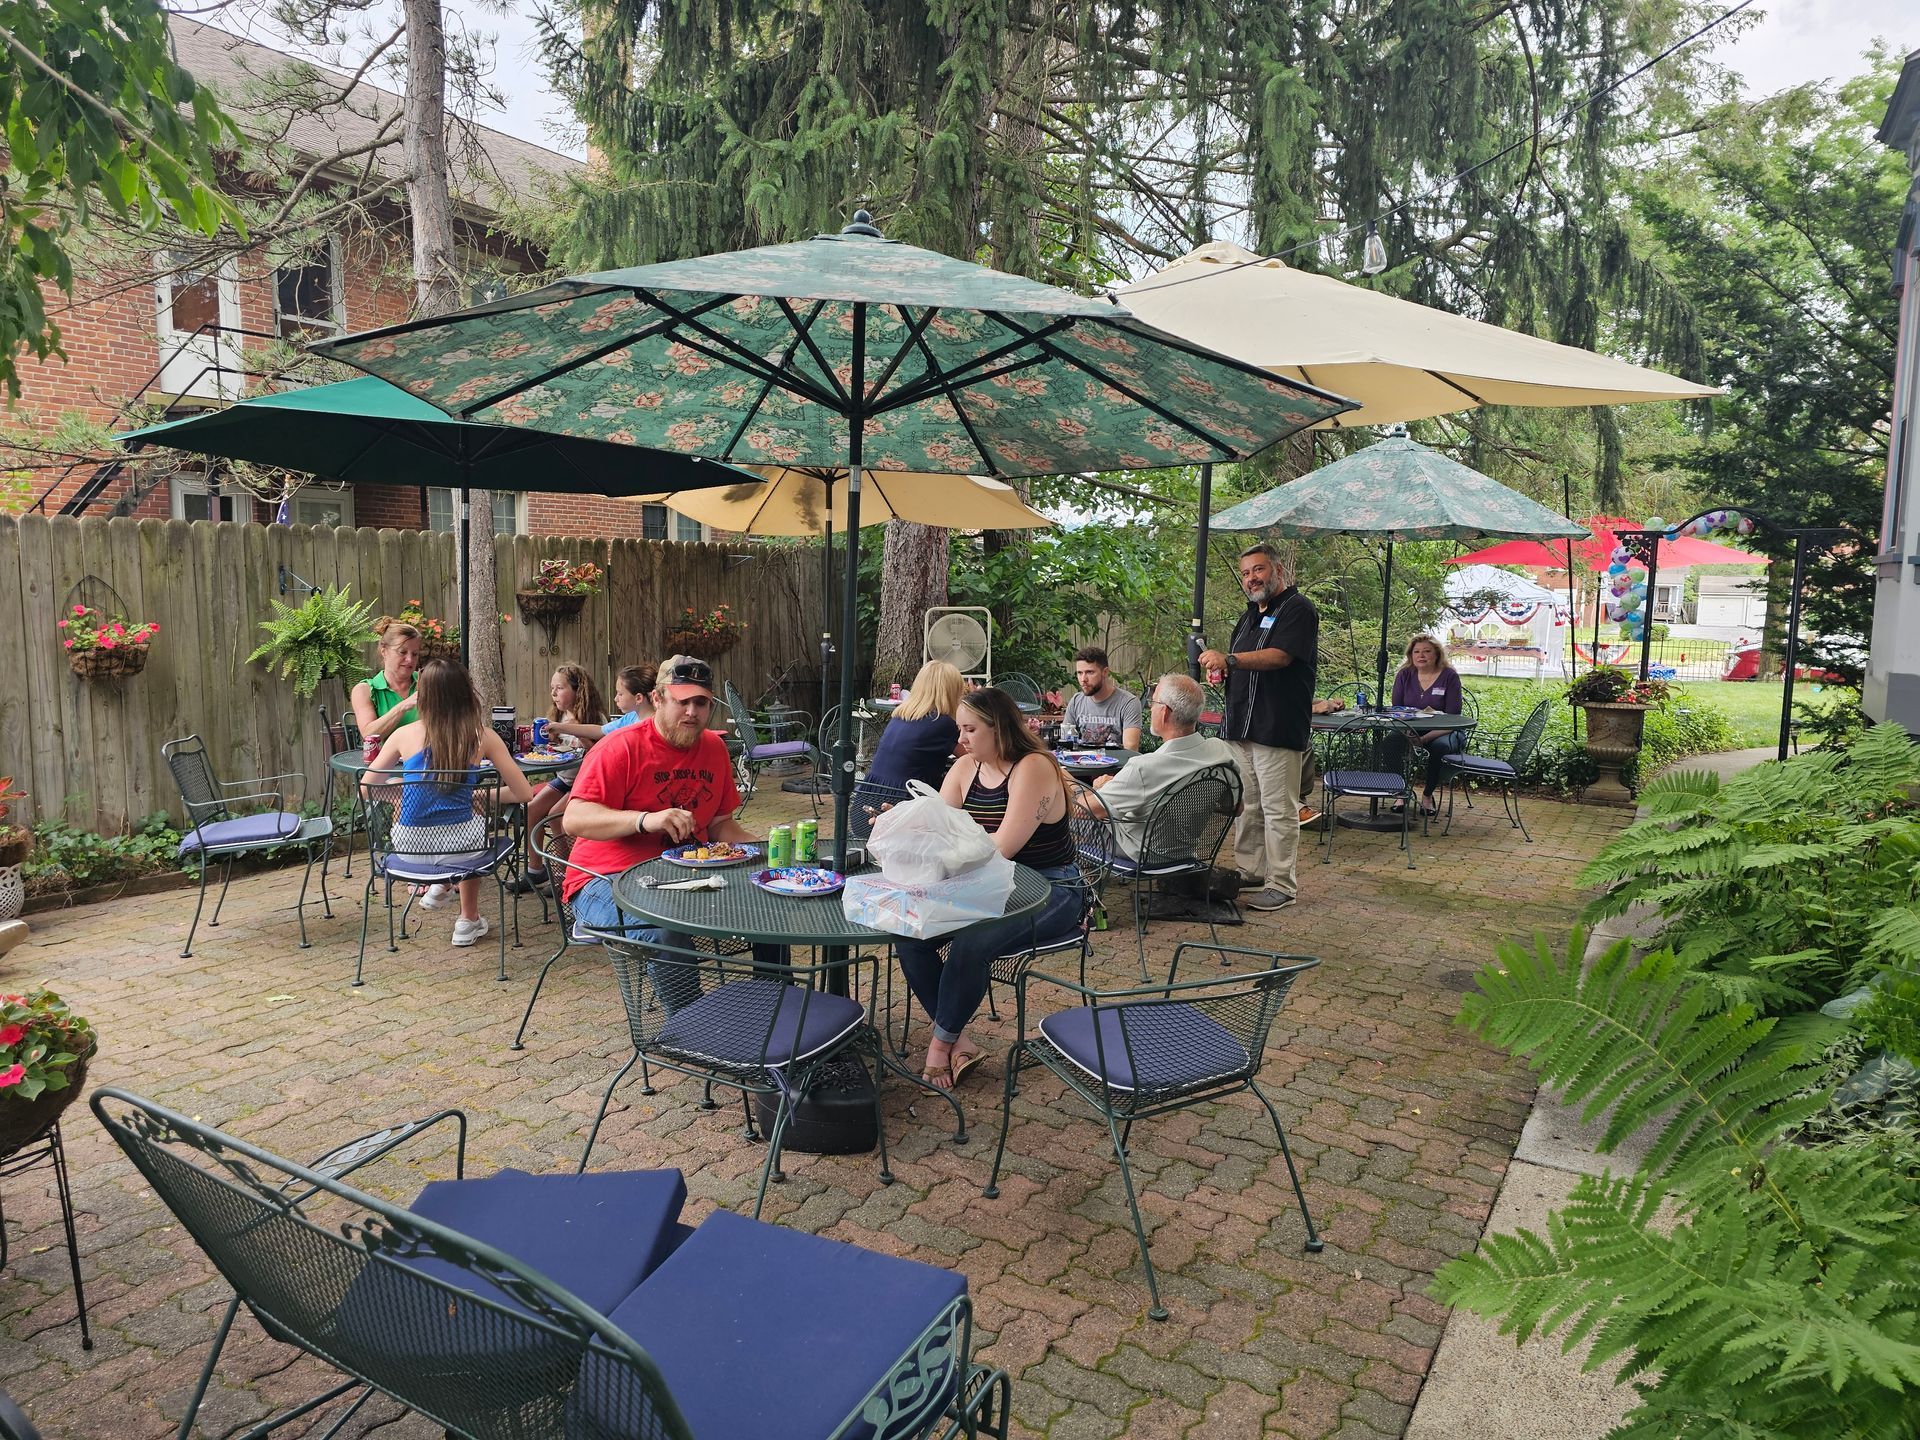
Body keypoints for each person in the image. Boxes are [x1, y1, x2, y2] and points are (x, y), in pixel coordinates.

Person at [894, 687, 1086, 1090]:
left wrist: (937, 849)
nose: (960, 740)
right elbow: (936, 831)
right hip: (988, 887)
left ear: (998, 728)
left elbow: (1003, 847)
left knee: (971, 942)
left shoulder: (1033, 766)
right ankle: (961, 1041)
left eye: (969, 730)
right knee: (908, 929)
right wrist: (900, 828)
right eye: (959, 730)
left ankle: (938, 1047)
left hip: (1052, 888)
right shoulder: (966, 768)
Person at [561, 655, 773, 1008]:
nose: (692, 712)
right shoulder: (620, 747)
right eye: (682, 701)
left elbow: (720, 824)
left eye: (701, 702)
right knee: (665, 927)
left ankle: (773, 1005)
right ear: (658, 699)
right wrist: (645, 819)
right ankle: (688, 1029)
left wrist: (766, 852)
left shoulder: (714, 749)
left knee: (768, 897)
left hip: (687, 875)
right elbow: (574, 819)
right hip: (604, 879)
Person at [363, 658, 534, 947]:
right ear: (465, 693)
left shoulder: (403, 734)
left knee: (460, 817)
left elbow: (366, 789)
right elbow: (524, 794)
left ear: (424, 695)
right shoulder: (482, 735)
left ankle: (440, 885)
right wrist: (481, 795)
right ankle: (467, 920)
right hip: (462, 848)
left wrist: (402, 792)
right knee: (472, 822)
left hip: (409, 849)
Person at [1197, 542, 1317, 913]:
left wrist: (1229, 657)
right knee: (1248, 804)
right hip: (1241, 726)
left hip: (1276, 726)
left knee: (1279, 808)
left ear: (1278, 571)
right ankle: (1251, 870)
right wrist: (1222, 671)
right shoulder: (1249, 615)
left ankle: (1282, 884)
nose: (1251, 578)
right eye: (1246, 573)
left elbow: (1280, 657)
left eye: (1259, 570)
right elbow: (1243, 665)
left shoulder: (1298, 609)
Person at [513, 665, 650, 894]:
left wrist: (577, 732)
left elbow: (598, 746)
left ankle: (567, 873)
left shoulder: (601, 717)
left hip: (584, 780)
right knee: (532, 808)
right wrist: (556, 733)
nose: (554, 693)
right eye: (552, 688)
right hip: (566, 778)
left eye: (560, 688)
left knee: (558, 816)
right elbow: (598, 733)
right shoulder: (626, 719)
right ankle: (537, 869)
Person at [1075, 673, 1236, 860]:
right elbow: (1235, 808)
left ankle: (1073, 884)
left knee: (1066, 819)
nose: (1150, 708)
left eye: (1153, 703)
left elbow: (1082, 810)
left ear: (1164, 712)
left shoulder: (1144, 768)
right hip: (1185, 851)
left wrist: (1087, 788)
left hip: (1142, 853)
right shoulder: (1222, 752)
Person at [1387, 635, 1466, 815]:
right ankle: (1401, 791)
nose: (1421, 656)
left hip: (1445, 730)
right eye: (1416, 652)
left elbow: (1454, 718)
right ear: (1410, 655)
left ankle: (1428, 795)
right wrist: (1408, 733)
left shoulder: (1449, 676)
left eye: (1426, 651)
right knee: (1389, 743)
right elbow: (1397, 710)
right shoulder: (1404, 674)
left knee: (1439, 748)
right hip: (1410, 728)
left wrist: (1424, 739)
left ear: (1437, 654)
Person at [862, 660, 963, 795]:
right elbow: (976, 757)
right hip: (903, 802)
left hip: (868, 797)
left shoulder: (900, 715)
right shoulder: (942, 723)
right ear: (952, 693)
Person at [350, 618, 422, 745]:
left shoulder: (427, 682)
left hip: (426, 762)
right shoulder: (365, 690)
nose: (410, 660)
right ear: (384, 652)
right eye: (402, 652)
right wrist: (403, 706)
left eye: (415, 654)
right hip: (383, 764)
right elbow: (368, 735)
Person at [1062, 646, 1143, 750]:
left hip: (1117, 765)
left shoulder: (1128, 703)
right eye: (1079, 673)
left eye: (1090, 672)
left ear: (1105, 672)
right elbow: (1065, 742)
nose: (1083, 679)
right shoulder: (1076, 701)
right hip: (1082, 763)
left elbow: (1130, 748)